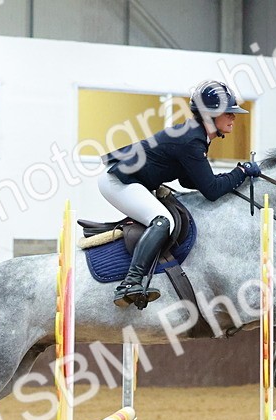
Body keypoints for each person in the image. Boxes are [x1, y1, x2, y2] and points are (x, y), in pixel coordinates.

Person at [99, 80, 261, 308]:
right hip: (119, 181)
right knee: (163, 220)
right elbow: (212, 191)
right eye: (228, 112)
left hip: (131, 180)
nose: (234, 117)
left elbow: (191, 180)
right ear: (211, 115)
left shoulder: (197, 135)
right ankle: (130, 282)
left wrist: (232, 177)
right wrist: (241, 172)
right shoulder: (192, 140)